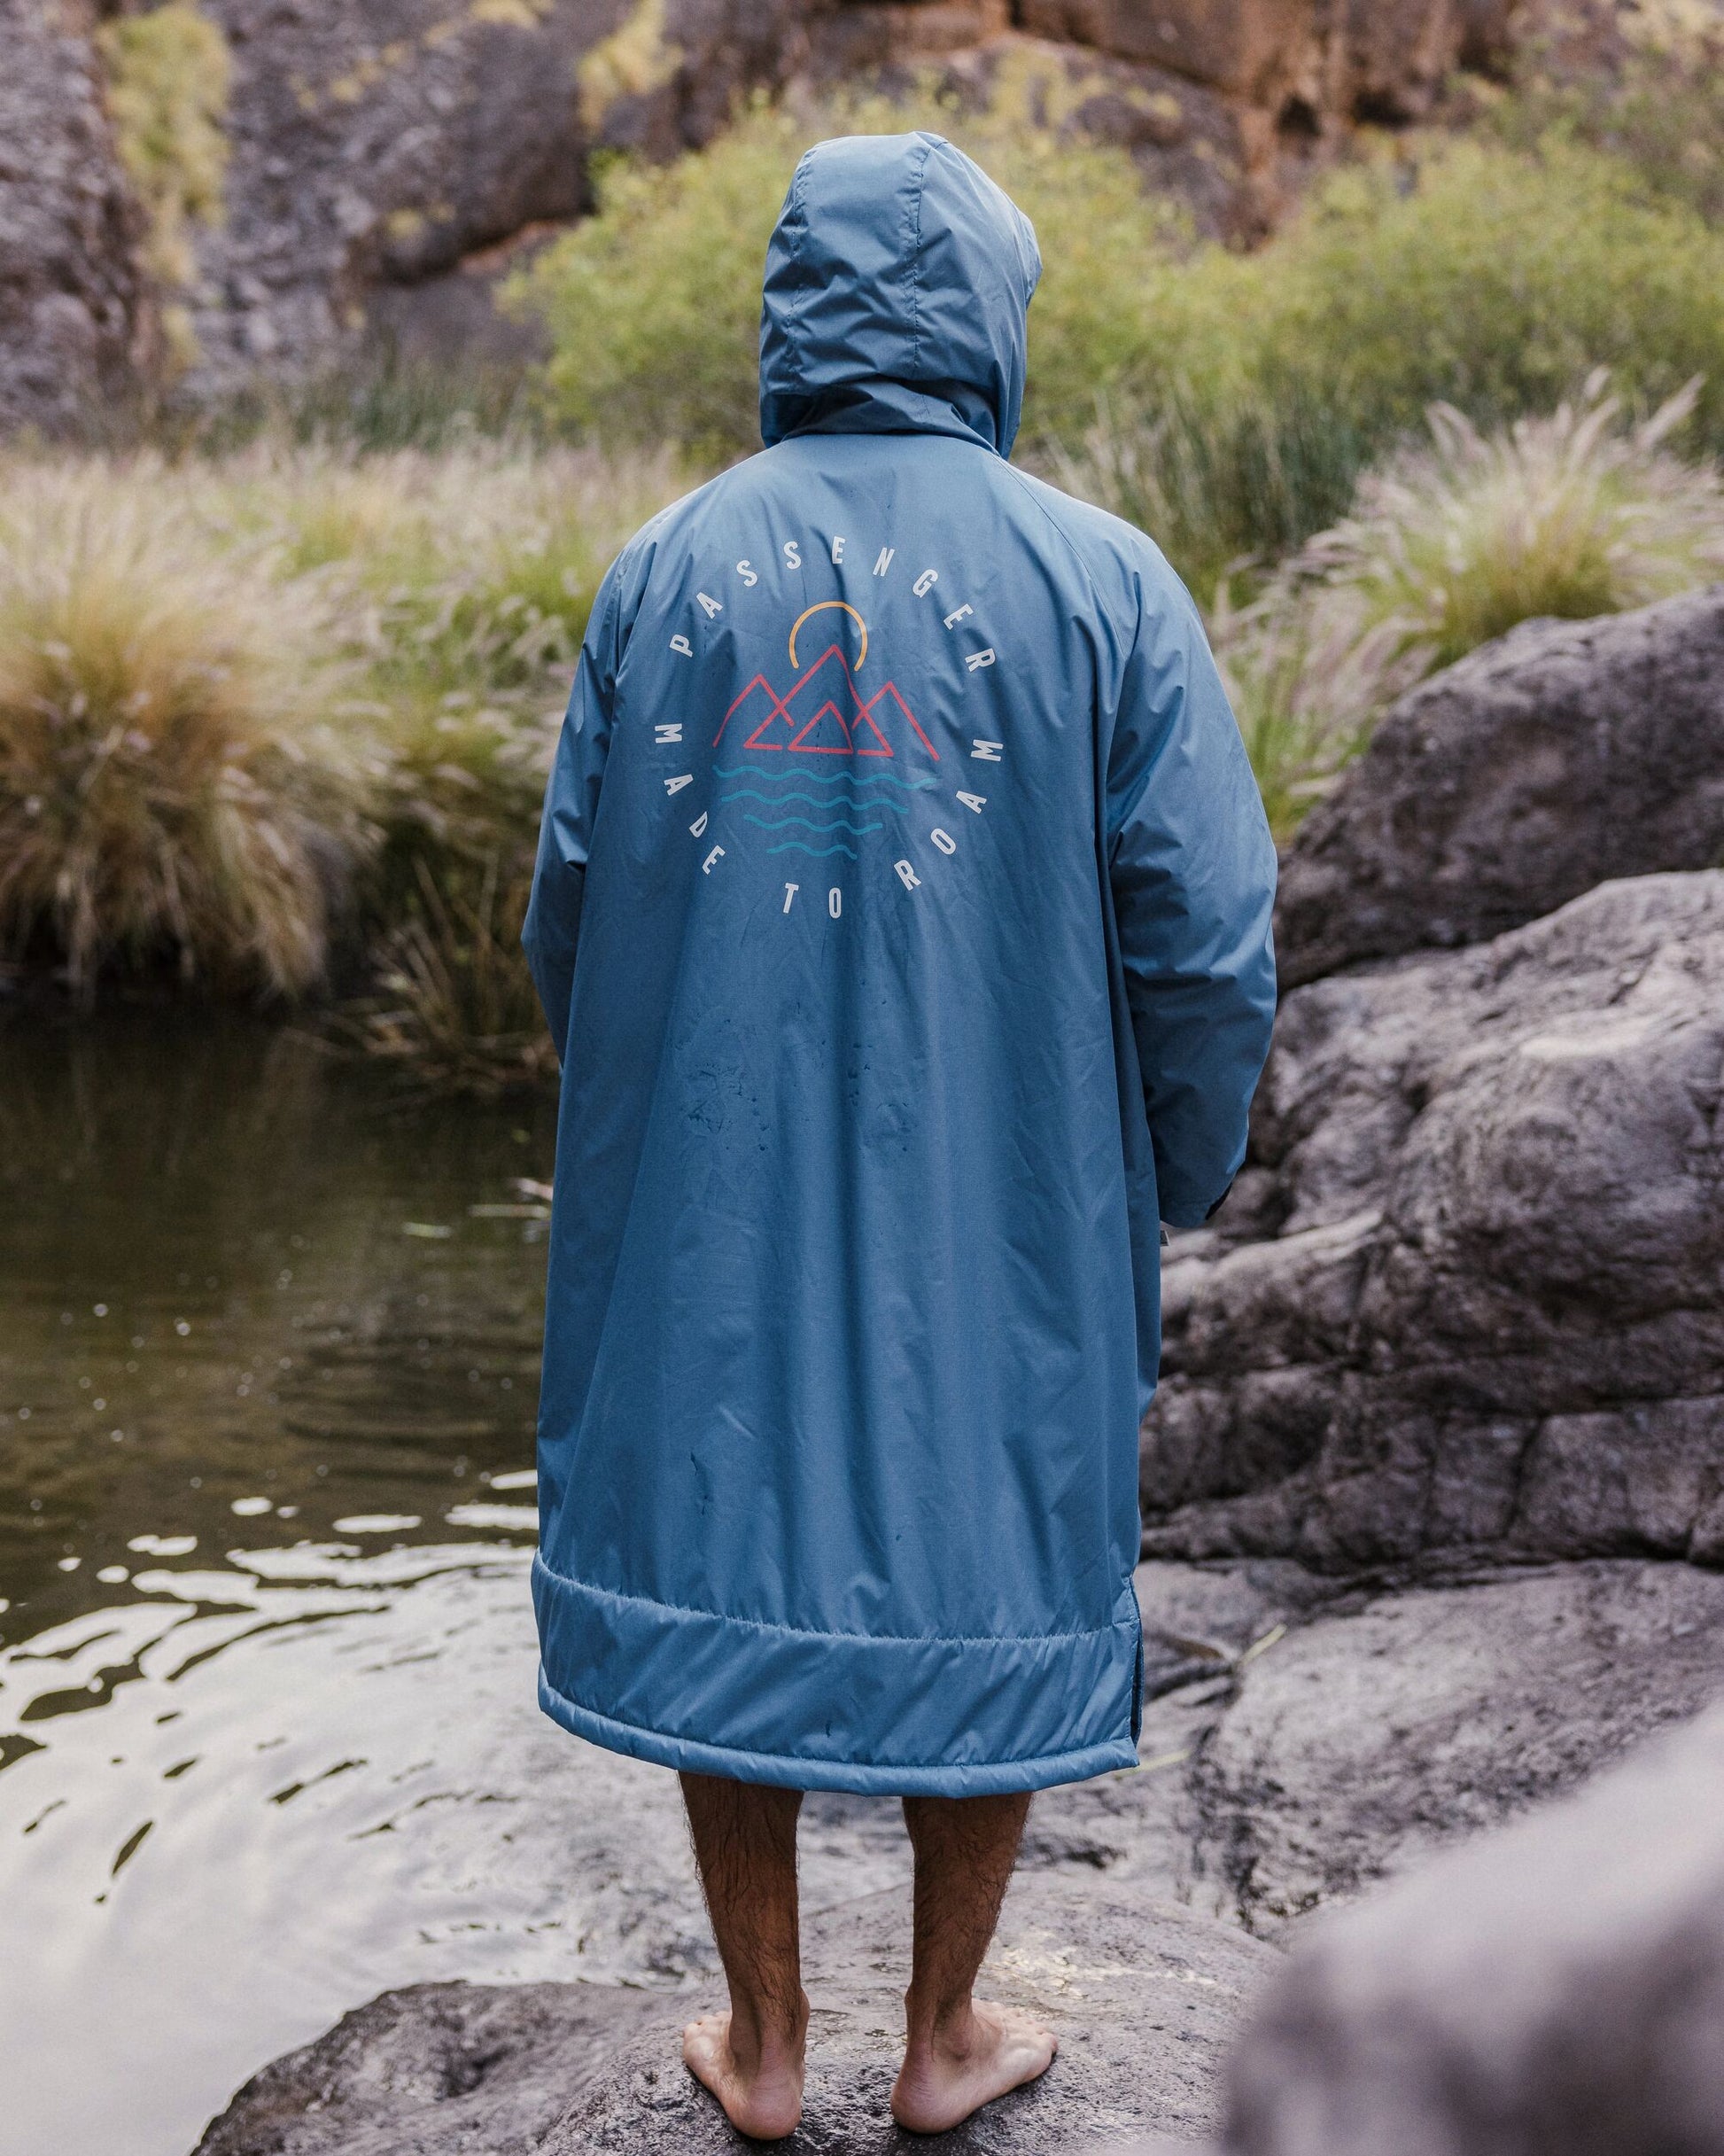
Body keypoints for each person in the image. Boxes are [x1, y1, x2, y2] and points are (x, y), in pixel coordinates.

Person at [523, 130, 1277, 2140]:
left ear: (795, 307)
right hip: (1011, 1192)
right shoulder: (1103, 579)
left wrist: (652, 1128)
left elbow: (568, 906)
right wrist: (1165, 1167)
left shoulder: (665, 566)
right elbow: (1206, 939)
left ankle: (765, 2039)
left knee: (720, 1539)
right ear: (987, 315)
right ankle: (943, 2031)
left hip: (708, 1184)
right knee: (994, 1529)